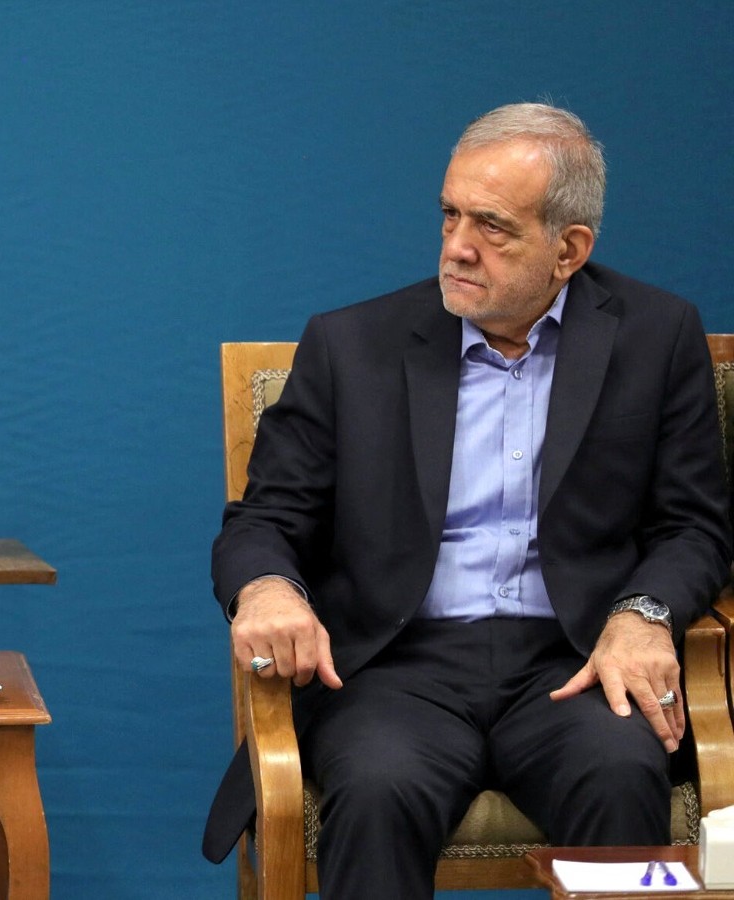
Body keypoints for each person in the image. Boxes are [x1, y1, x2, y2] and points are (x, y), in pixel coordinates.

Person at [202, 103, 732, 899]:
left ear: (569, 250)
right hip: (396, 668)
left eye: (493, 227)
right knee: (378, 789)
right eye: (450, 215)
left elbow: (693, 525)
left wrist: (643, 614)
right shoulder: (352, 345)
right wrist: (269, 588)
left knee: (622, 773)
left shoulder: (656, 335)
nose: (456, 245)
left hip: (576, 662)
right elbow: (265, 519)